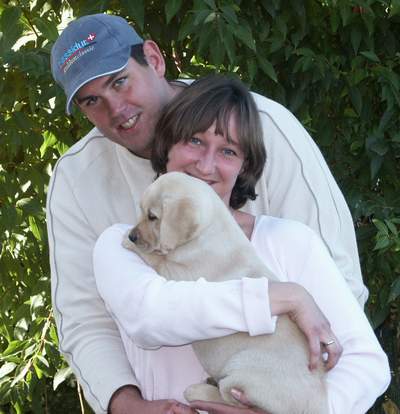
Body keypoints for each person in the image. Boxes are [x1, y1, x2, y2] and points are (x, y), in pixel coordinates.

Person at [47, 13, 369, 414]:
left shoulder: (262, 126)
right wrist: (126, 404)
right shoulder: (82, 187)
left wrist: (294, 406)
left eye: (119, 81)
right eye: (91, 100)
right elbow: (89, 319)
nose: (116, 109)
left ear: (154, 59)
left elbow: (340, 290)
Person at [93, 75, 390, 414]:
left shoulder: (291, 242)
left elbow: (366, 363)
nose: (206, 165)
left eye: (228, 151)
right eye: (194, 141)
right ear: (167, 145)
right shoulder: (123, 245)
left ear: (244, 165)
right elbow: (151, 317)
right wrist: (283, 298)